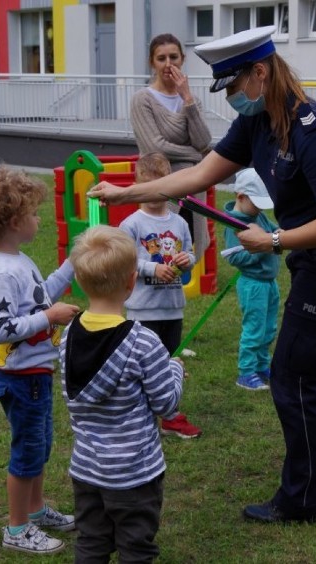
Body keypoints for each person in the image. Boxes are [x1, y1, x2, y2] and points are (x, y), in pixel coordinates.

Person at [89, 26, 316, 523]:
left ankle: (302, 501)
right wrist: (124, 193)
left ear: (260, 73)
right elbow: (198, 174)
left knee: (293, 376)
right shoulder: (258, 124)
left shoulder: (312, 130)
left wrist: (273, 240)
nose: (230, 97)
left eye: (233, 86)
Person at [0, 166, 81, 554]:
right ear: (15, 221)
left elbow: (39, 296)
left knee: (40, 445)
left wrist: (70, 266)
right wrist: (49, 318)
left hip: (35, 374)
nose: (38, 218)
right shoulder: (1, 271)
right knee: (28, 451)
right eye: (33, 213)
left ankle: (35, 511)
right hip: (21, 377)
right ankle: (16, 530)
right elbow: (2, 328)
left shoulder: (18, 260)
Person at [61, 225, 185, 562]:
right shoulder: (144, 342)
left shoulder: (69, 333)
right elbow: (167, 404)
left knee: (91, 542)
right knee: (136, 548)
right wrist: (175, 370)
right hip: (135, 475)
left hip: (86, 470)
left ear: (82, 282)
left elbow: (70, 393)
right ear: (132, 283)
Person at [118, 153, 202, 439]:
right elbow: (125, 263)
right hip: (142, 311)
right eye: (148, 185)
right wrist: (152, 268)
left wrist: (185, 260)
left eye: (162, 185)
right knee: (142, 367)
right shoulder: (131, 225)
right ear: (137, 185)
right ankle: (139, 415)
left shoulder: (179, 223)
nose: (155, 193)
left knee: (170, 362)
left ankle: (169, 415)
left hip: (172, 308)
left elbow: (191, 254)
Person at [131, 33, 213, 261]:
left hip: (193, 186)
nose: (168, 64)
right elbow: (154, 147)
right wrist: (197, 157)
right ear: (152, 63)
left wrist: (187, 99)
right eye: (161, 58)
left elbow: (203, 140)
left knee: (186, 250)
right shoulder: (142, 99)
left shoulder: (191, 100)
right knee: (158, 253)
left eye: (173, 57)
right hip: (160, 185)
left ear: (182, 59)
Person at [223, 168, 280, 391]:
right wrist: (263, 248)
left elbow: (273, 231)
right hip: (253, 284)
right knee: (254, 328)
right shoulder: (235, 224)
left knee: (268, 328)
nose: (260, 209)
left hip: (269, 282)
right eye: (256, 203)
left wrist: (280, 235)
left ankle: (261, 366)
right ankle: (246, 372)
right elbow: (235, 256)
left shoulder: (257, 215)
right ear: (241, 197)